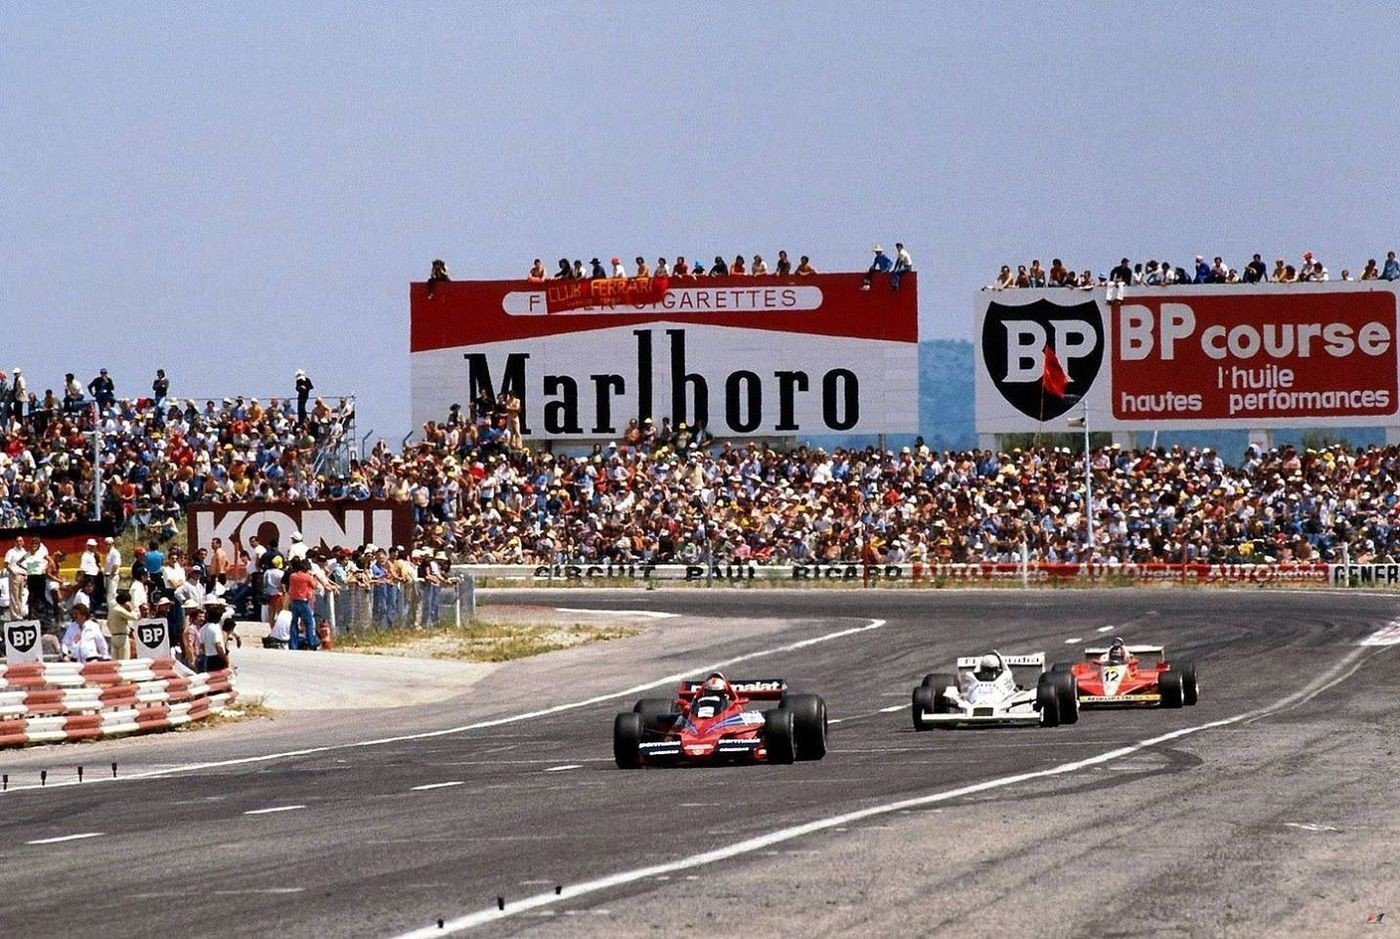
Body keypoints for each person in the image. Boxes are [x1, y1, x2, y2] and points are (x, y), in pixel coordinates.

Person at [286, 558, 318, 651]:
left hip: (294, 601)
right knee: (309, 622)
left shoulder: (292, 576)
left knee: (294, 623)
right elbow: (314, 585)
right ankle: (311, 643)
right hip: (303, 601)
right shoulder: (306, 577)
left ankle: (293, 644)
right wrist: (312, 576)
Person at [106, 589, 139, 660]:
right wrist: (131, 609)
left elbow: (108, 623)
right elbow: (135, 617)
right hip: (122, 637)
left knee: (115, 662)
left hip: (113, 636)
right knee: (124, 661)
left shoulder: (112, 609)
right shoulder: (120, 610)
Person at [4, 536, 28, 619]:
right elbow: (6, 564)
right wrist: (13, 572)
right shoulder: (11, 552)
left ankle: (19, 614)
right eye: (17, 541)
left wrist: (26, 575)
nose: (19, 542)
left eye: (21, 541)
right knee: (14, 596)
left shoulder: (24, 552)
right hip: (15, 575)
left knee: (20, 597)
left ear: (23, 542)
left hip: (23, 576)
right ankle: (15, 617)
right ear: (15, 542)